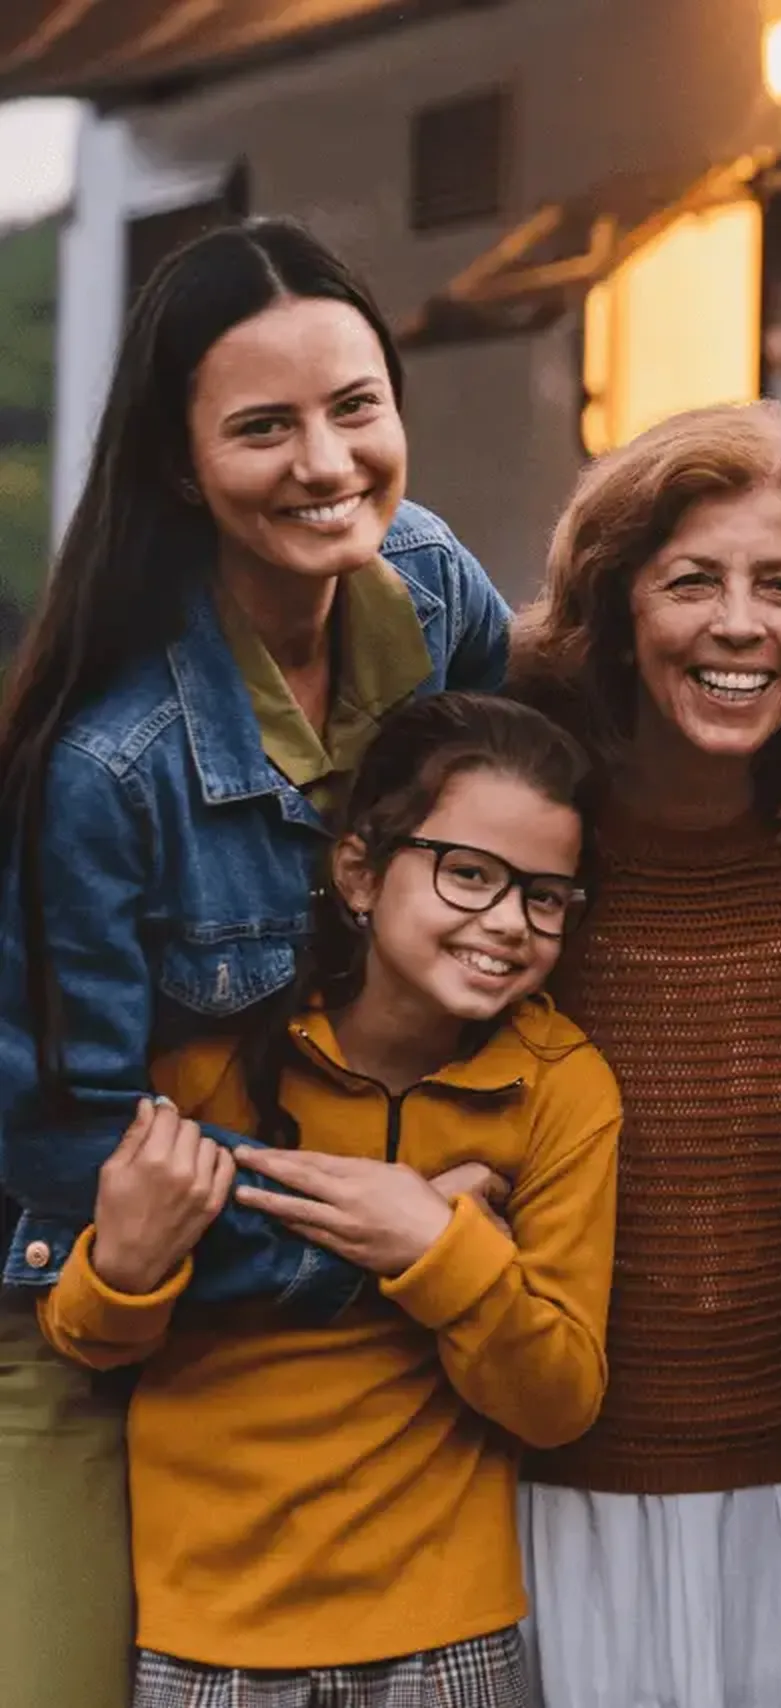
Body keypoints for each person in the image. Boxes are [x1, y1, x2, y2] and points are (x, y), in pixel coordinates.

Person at [0, 217, 515, 1708]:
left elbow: (548, 800)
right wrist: (377, 1227)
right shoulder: (108, 761)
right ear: (179, 466)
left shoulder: (429, 590)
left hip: (368, 1265)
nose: (328, 462)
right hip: (84, 1309)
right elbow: (61, 1135)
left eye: (357, 406)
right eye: (263, 427)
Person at [37, 691, 619, 1708]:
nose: (506, 923)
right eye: (470, 874)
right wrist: (124, 1270)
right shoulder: (209, 1058)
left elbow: (559, 1396)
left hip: (450, 1633)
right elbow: (87, 1341)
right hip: (207, 1631)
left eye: (546, 895)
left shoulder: (560, 1087)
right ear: (359, 870)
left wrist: (434, 1247)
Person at [508, 400, 781, 1708]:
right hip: (563, 1492)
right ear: (618, 607)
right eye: (692, 580)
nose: (740, 625)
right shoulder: (526, 838)